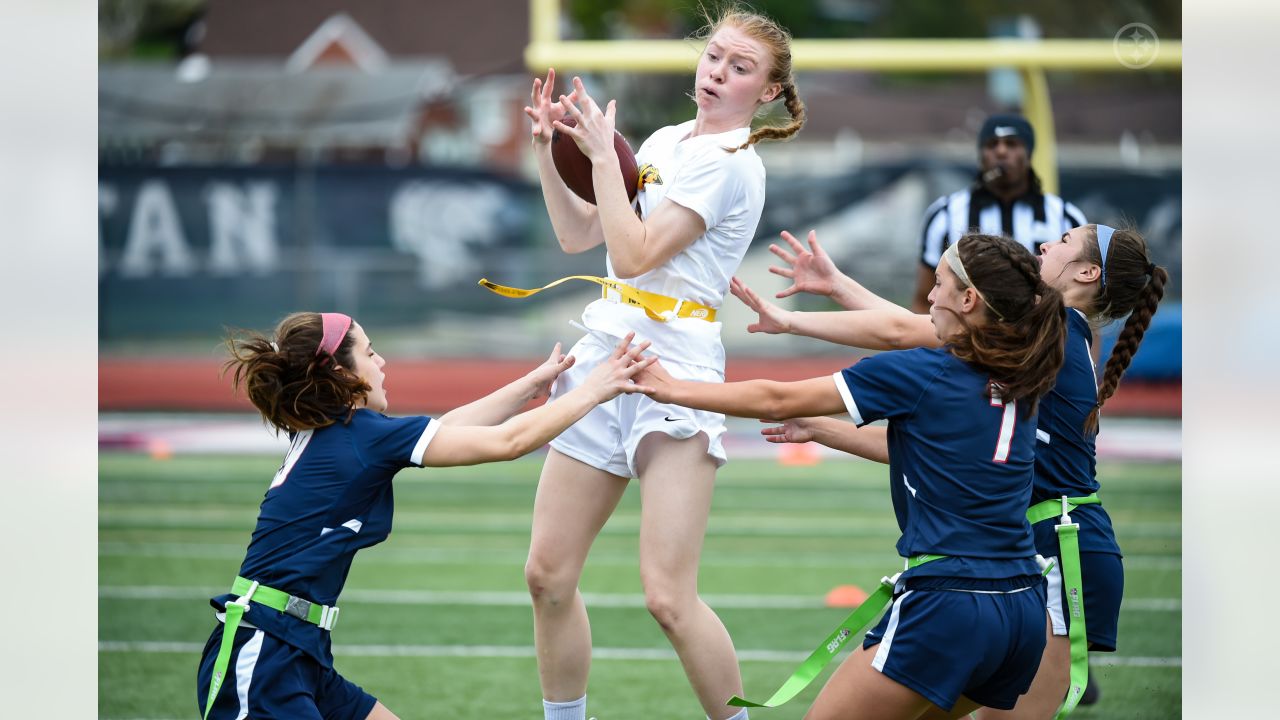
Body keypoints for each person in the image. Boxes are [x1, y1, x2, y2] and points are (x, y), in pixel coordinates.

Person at [634, 233, 1067, 719]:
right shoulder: (1025, 377)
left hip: (951, 604)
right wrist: (823, 431)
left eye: (939, 284)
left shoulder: (923, 372)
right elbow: (932, 453)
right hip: (1023, 610)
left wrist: (672, 390)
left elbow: (777, 398)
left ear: (968, 301)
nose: (927, 297)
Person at [745, 223, 1167, 718]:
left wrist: (790, 321)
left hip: (1059, 546)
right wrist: (824, 424)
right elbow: (930, 439)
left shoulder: (1041, 324)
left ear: (1087, 272)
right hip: (1048, 545)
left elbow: (904, 331)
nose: (1047, 244)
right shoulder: (1054, 332)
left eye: (1065, 242)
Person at [518, 7, 805, 719]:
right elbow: (579, 234)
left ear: (767, 92)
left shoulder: (729, 162)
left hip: (675, 364)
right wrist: (554, 151)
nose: (718, 72)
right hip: (607, 353)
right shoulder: (670, 139)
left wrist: (600, 156)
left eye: (741, 67)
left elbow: (638, 252)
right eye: (715, 57)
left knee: (668, 598)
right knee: (547, 576)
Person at [195, 311, 654, 720]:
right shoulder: (360, 436)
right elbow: (509, 443)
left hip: (297, 650)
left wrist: (531, 388)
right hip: (263, 654)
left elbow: (445, 429)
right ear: (340, 370)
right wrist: (596, 389)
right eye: (370, 353)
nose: (382, 363)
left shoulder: (345, 432)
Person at [911, 113, 1087, 315]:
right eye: (992, 144)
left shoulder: (1065, 217)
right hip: (964, 341)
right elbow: (925, 299)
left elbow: (1083, 302)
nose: (1001, 151)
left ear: (1028, 153)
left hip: (1042, 340)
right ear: (981, 154)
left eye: (1012, 144)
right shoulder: (945, 215)